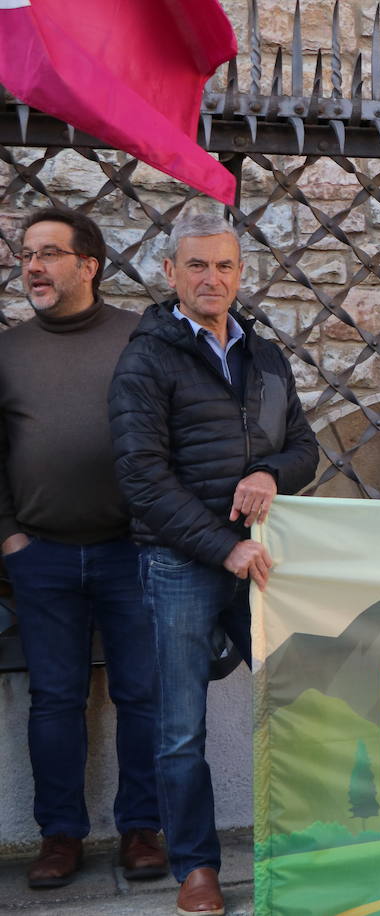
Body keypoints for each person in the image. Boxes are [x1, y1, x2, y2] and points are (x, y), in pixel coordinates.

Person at [109, 212, 318, 915]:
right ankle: (196, 868)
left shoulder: (262, 353)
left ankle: (300, 847)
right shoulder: (148, 357)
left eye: (225, 266)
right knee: (178, 727)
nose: (212, 279)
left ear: (240, 273)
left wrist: (270, 474)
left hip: (259, 561)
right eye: (197, 266)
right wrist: (220, 545)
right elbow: (141, 475)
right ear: (170, 274)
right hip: (182, 563)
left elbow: (304, 448)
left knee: (297, 703)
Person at [0, 208, 167, 888]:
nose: (32, 266)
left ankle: (142, 829)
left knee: (142, 694)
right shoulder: (7, 351)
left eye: (48, 253)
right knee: (56, 701)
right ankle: (60, 837)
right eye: (26, 254)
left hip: (133, 552)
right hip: (39, 556)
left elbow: (174, 432)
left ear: (88, 264)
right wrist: (9, 537)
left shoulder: (142, 338)